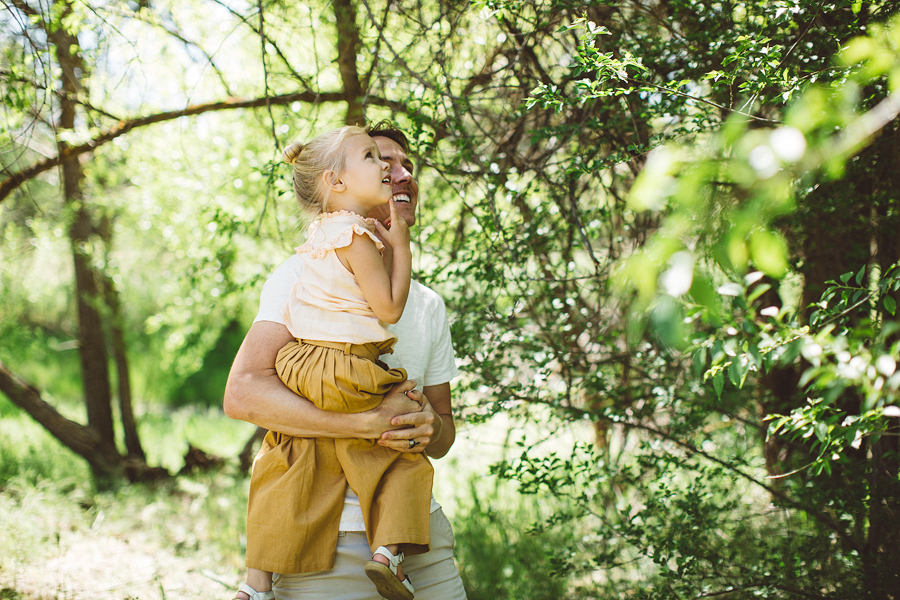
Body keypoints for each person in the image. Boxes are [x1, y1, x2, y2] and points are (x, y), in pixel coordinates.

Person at [224, 121, 468, 600]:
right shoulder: (301, 276)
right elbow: (243, 392)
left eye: (406, 166)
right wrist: (364, 423)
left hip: (420, 542)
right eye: (380, 161)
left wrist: (427, 428)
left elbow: (443, 433)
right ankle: (258, 584)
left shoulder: (428, 304)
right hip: (324, 539)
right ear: (338, 186)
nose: (398, 173)